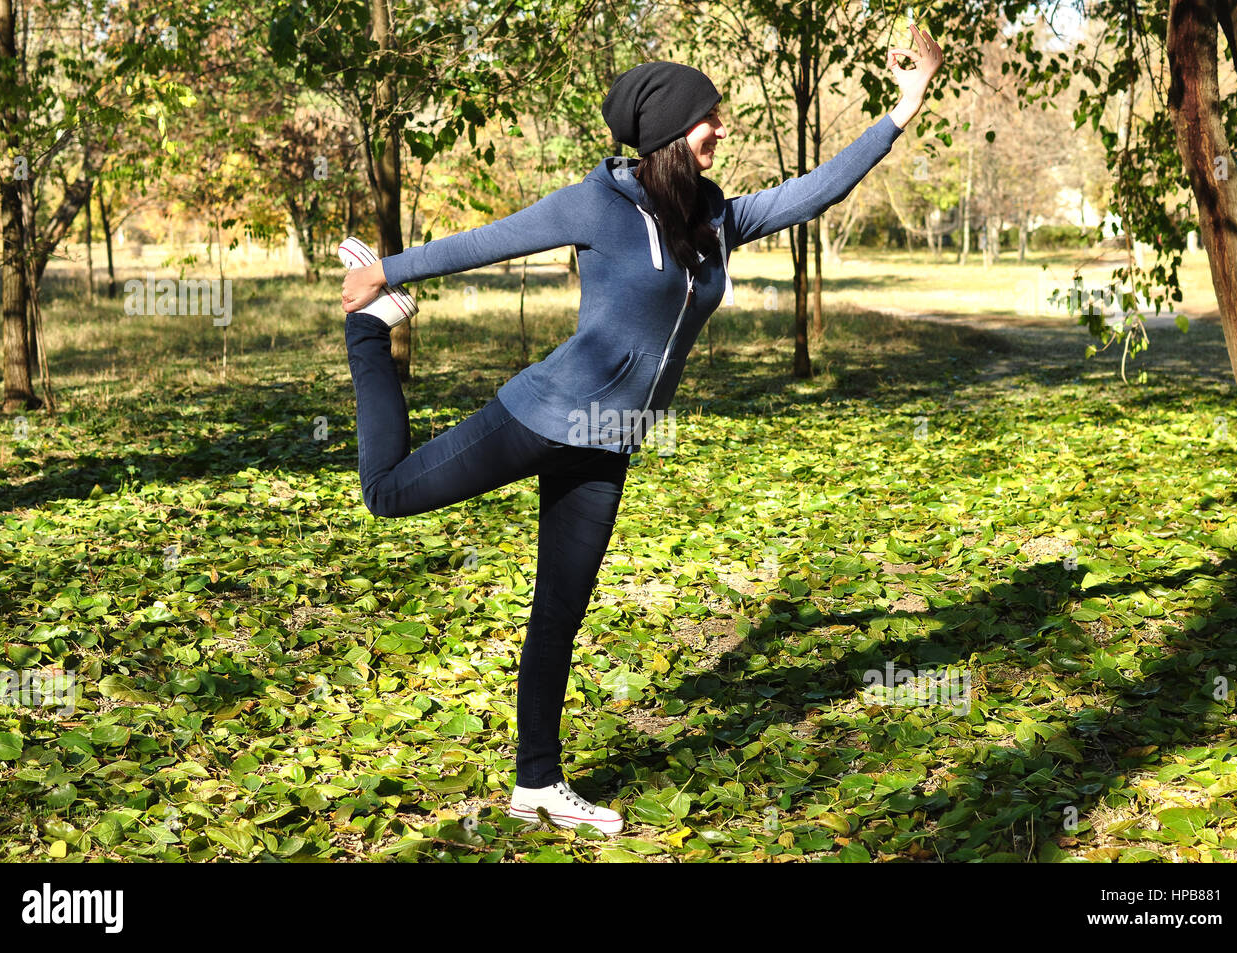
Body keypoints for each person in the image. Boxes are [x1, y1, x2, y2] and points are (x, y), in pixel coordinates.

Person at [339, 30, 943, 837]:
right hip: (537, 416)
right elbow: (490, 240)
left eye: (720, 118)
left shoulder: (716, 219)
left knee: (560, 608)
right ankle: (368, 333)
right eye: (709, 119)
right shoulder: (598, 202)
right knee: (388, 494)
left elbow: (816, 191)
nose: (721, 130)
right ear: (667, 133)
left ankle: (537, 784)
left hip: (606, 441)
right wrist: (387, 273)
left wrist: (903, 108)